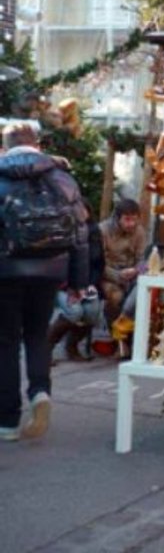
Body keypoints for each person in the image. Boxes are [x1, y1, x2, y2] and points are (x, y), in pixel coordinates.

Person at [0, 123, 89, 441]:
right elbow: (81, 234)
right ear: (37, 144)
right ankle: (40, 393)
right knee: (38, 335)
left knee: (6, 343)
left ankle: (8, 422)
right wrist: (79, 282)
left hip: (6, 272)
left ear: (6, 145)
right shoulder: (62, 178)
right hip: (51, 270)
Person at [48, 199, 104, 362]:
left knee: (92, 313)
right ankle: (46, 348)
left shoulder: (94, 233)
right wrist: (72, 287)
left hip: (87, 285)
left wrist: (89, 286)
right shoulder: (61, 233)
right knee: (75, 311)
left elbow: (98, 264)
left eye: (83, 210)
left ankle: (72, 347)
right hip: (63, 285)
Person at [100, 199, 146, 352]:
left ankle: (131, 336)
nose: (131, 223)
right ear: (117, 217)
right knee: (116, 296)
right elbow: (97, 263)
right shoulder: (103, 231)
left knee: (142, 294)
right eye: (127, 219)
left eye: (134, 219)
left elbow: (143, 259)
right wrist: (118, 275)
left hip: (132, 275)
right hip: (108, 275)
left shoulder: (139, 231)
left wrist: (136, 270)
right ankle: (118, 339)